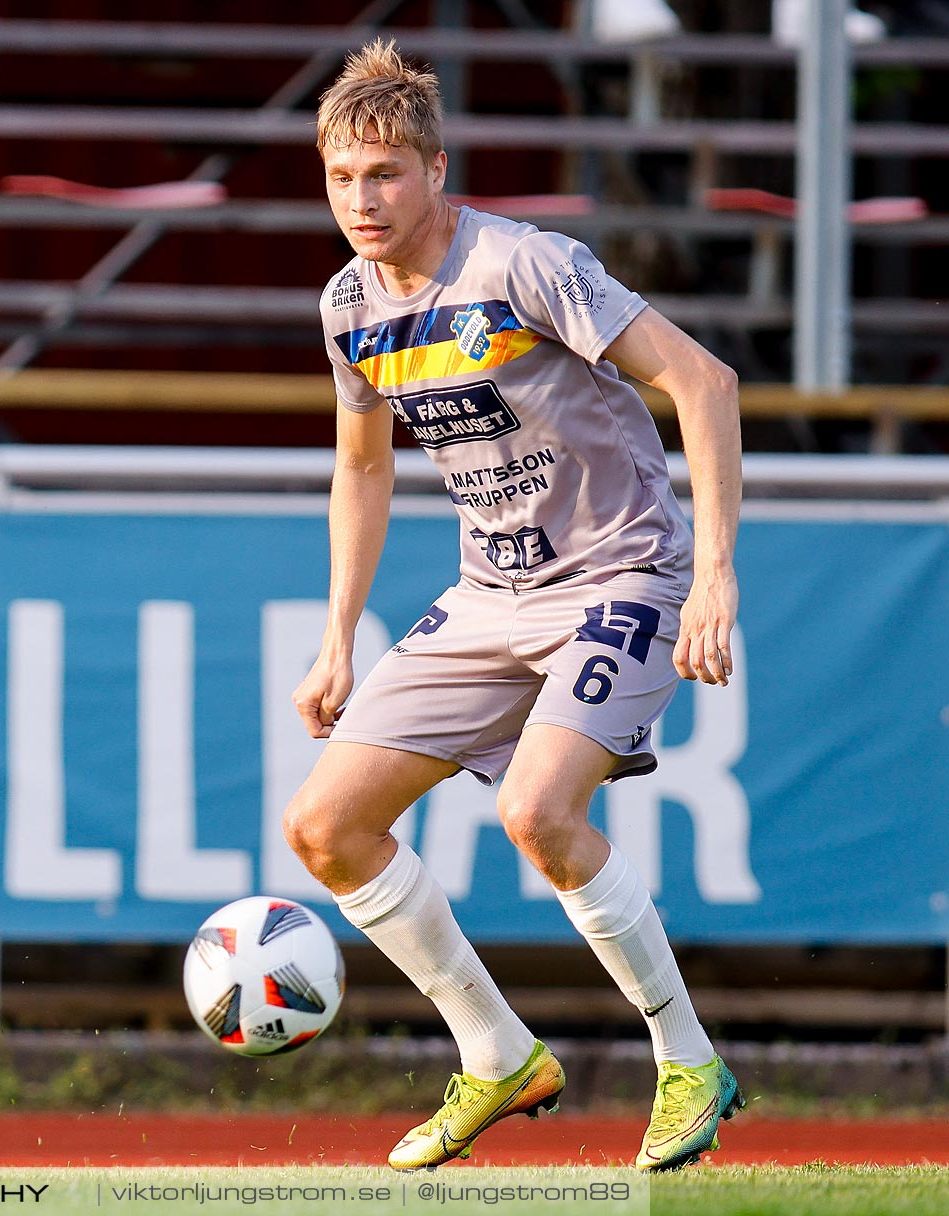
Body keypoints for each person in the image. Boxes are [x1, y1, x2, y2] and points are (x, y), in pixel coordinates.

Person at [284, 39, 744, 1173]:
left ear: (436, 171)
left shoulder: (527, 264)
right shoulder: (349, 305)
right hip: (492, 593)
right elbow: (363, 467)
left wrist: (719, 574)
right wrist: (339, 632)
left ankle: (688, 1056)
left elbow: (705, 380)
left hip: (623, 572)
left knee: (536, 815)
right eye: (343, 178)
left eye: (385, 173)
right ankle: (498, 1054)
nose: (363, 200)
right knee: (324, 829)